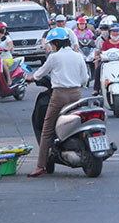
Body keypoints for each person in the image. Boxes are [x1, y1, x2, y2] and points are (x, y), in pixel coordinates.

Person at [26, 28, 88, 177]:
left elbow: (40, 73)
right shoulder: (78, 56)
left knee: (47, 130)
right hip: (76, 94)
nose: (51, 47)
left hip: (59, 95)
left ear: (56, 43)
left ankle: (41, 166)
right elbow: (84, 79)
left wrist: (31, 78)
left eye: (52, 44)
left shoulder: (54, 57)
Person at [93, 24, 119, 95]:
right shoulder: (106, 43)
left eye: (117, 31)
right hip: (108, 63)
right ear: (110, 32)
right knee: (99, 68)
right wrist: (99, 56)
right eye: (113, 31)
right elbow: (103, 52)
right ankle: (96, 88)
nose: (115, 33)